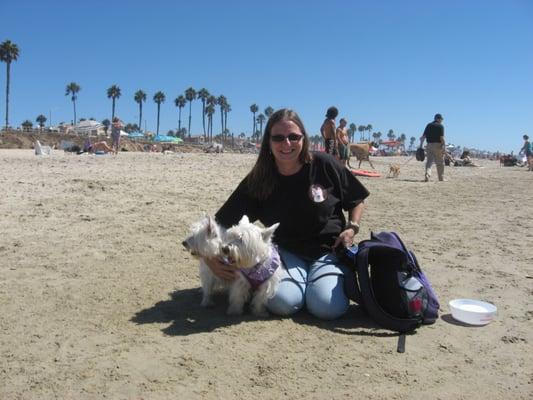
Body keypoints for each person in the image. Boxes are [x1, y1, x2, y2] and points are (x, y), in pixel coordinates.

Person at [206, 108, 370, 320]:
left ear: (304, 138)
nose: (287, 144)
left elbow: (357, 199)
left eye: (294, 137)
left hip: (329, 251)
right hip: (286, 255)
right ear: (268, 142)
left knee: (327, 307)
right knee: (282, 303)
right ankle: (305, 286)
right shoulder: (259, 179)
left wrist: (352, 227)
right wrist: (209, 258)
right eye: (278, 138)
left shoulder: (324, 164)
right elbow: (218, 223)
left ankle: (317, 284)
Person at [419, 113, 445, 181]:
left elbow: (422, 137)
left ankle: (427, 173)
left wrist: (420, 146)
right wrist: (444, 147)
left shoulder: (428, 125)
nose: (442, 120)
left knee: (429, 161)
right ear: (438, 119)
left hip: (429, 145)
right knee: (440, 163)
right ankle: (441, 178)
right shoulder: (440, 126)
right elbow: (442, 138)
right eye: (441, 119)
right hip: (438, 146)